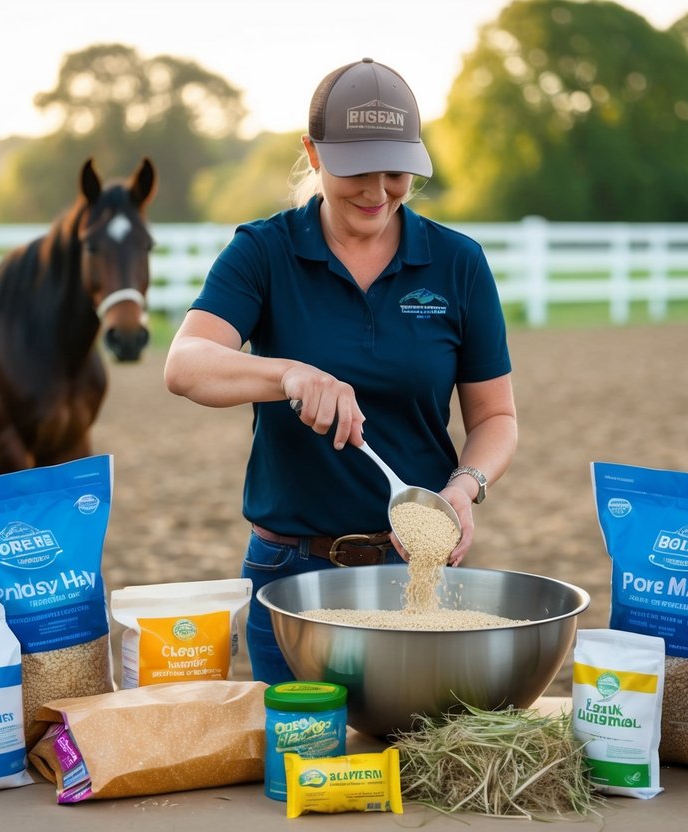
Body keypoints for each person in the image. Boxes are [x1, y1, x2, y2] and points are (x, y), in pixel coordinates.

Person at [163, 57, 517, 685]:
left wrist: (463, 488)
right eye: (357, 169)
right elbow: (185, 366)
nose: (378, 191)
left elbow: (495, 417)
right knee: (300, 770)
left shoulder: (457, 263)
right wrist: (290, 375)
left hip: (419, 568)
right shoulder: (265, 252)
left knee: (416, 773)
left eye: (396, 170)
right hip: (290, 573)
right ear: (313, 153)